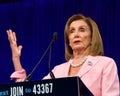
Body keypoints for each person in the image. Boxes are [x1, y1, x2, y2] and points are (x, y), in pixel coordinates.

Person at [7, 14, 120, 96]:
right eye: (71, 31)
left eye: (82, 30)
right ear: (68, 41)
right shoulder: (58, 70)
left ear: (91, 37)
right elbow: (32, 91)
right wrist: (16, 59)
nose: (76, 34)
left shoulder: (105, 64)